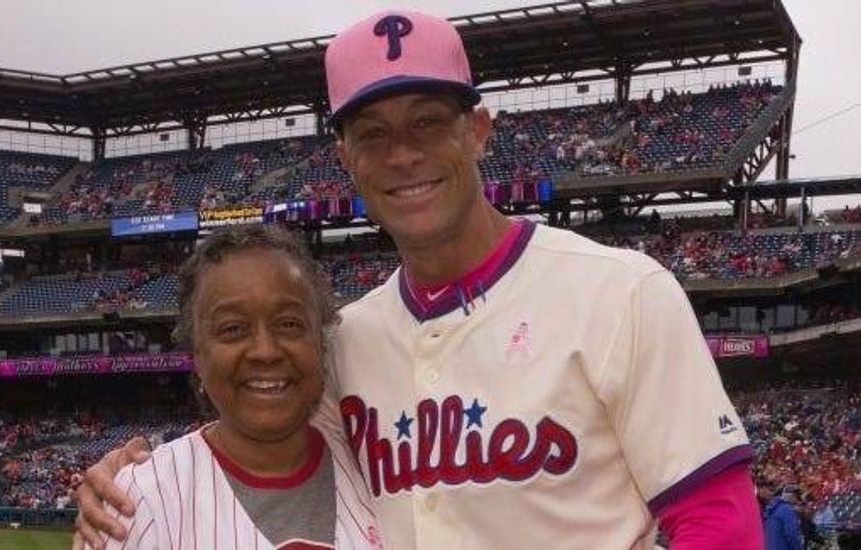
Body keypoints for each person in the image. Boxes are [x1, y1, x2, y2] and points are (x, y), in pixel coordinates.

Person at [75, 9, 763, 549]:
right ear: (344, 156)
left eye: (428, 123)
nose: (403, 154)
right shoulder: (350, 339)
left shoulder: (623, 293)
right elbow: (257, 417)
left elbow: (719, 522)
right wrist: (129, 475)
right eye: (373, 133)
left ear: (478, 131)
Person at [83, 226, 379, 549]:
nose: (265, 351)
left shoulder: (374, 466)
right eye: (233, 329)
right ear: (197, 352)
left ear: (321, 341)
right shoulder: (141, 498)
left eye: (290, 324)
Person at [763, 486, 804, 550]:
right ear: (792, 496)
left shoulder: (771, 510)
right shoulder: (787, 510)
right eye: (797, 498)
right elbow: (792, 535)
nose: (797, 501)